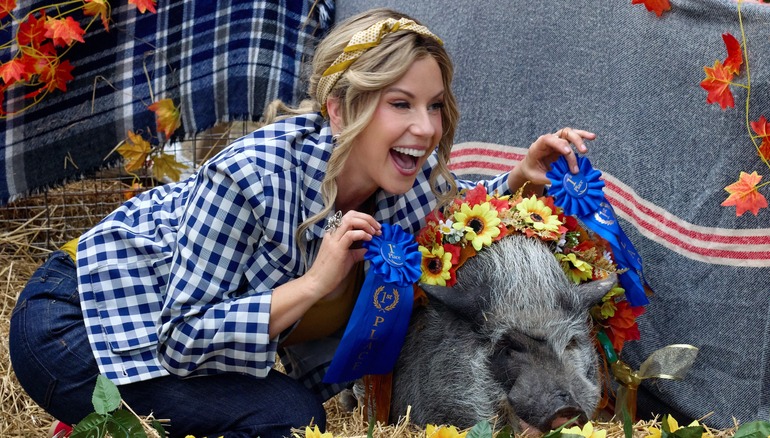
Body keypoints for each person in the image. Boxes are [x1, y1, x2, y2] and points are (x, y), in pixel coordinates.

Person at [9, 8, 595, 438]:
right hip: (78, 325)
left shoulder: (406, 182)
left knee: (287, 413)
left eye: (435, 104)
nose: (426, 128)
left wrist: (518, 176)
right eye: (400, 104)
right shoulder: (253, 176)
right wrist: (314, 284)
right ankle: (98, 414)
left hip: (160, 340)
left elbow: (460, 213)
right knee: (288, 420)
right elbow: (181, 339)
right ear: (340, 110)